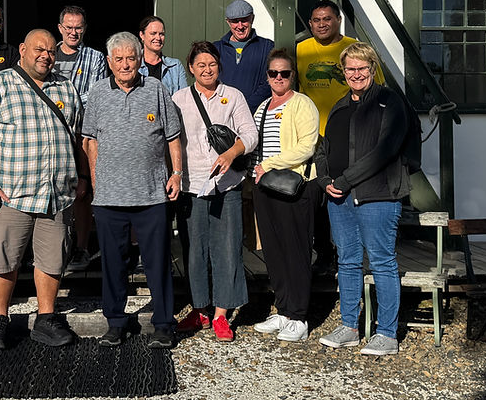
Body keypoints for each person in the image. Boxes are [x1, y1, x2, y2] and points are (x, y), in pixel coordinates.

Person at [0, 29, 87, 349]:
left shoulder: (66, 87)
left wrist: (82, 176)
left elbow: (77, 139)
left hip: (56, 194)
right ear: (22, 49)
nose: (45, 55)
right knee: (2, 259)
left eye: (50, 50)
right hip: (10, 193)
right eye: (39, 49)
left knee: (51, 260)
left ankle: (46, 319)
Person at [82, 32, 183, 349]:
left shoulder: (156, 88)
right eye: (119, 59)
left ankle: (164, 324)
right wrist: (97, 182)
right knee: (113, 263)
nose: (126, 64)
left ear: (140, 59)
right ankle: (115, 322)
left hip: (152, 193)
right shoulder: (98, 92)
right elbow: (90, 140)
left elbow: (173, 137)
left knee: (157, 262)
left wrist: (176, 173)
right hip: (110, 197)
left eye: (131, 58)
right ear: (109, 62)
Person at [315, 42, 410, 356]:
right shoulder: (341, 106)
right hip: (339, 197)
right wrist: (326, 180)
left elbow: (385, 150)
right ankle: (349, 327)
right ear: (343, 72)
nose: (356, 74)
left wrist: (345, 180)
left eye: (361, 68)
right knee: (348, 261)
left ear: (372, 68)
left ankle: (386, 333)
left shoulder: (390, 102)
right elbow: (324, 150)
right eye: (350, 69)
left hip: (378, 195)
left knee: (382, 262)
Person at [172, 41, 257, 342]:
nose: (207, 69)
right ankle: (200, 309)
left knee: (228, 249)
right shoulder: (179, 99)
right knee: (195, 251)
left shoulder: (233, 96)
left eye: (212, 64)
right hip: (191, 185)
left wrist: (232, 153)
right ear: (191, 68)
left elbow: (250, 133)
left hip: (226, 184)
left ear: (219, 66)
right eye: (200, 65)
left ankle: (221, 314)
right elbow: (172, 140)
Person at [296, 0, 386, 275]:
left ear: (338, 20)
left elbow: (378, 88)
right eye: (316, 20)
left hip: (352, 135)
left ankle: (359, 254)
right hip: (315, 136)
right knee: (320, 197)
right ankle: (325, 255)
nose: (321, 24)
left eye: (327, 19)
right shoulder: (301, 50)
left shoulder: (353, 49)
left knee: (353, 192)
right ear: (310, 24)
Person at [249, 49, 320, 343]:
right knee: (274, 250)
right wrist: (253, 167)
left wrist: (269, 164)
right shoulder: (263, 106)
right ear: (267, 77)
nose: (278, 78)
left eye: (284, 73)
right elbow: (255, 143)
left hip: (295, 186)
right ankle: (283, 309)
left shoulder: (303, 104)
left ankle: (299, 315)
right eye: (273, 73)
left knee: (296, 249)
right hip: (265, 185)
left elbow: (307, 146)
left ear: (293, 75)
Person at [53, 5, 109, 273]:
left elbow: (95, 94)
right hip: (51, 133)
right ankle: (54, 248)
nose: (73, 32)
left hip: (83, 133)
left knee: (82, 192)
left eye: (78, 27)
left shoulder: (96, 57)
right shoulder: (48, 54)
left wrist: (61, 104)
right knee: (53, 188)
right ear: (60, 28)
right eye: (69, 27)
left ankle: (82, 247)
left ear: (84, 28)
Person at [214, 0, 273, 114]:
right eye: (235, 21)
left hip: (255, 113)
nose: (240, 26)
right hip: (221, 112)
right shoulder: (215, 49)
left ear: (252, 18)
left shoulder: (267, 47)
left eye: (244, 20)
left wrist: (245, 108)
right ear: (228, 22)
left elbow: (268, 83)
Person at [138, 15, 186, 95]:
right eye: (153, 33)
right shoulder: (134, 64)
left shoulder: (175, 66)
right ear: (142, 35)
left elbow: (183, 98)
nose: (158, 38)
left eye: (161, 34)